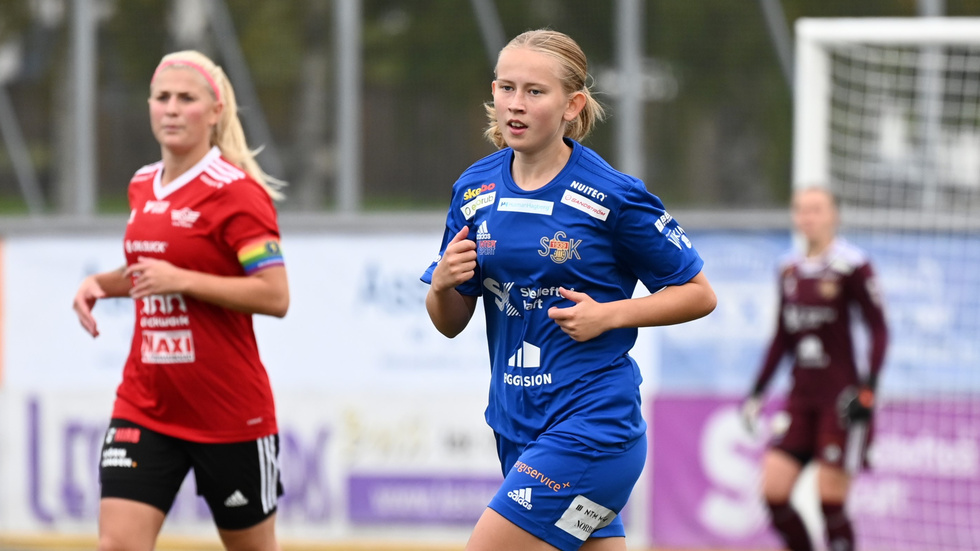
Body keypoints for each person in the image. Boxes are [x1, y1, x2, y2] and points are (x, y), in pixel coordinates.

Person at [422, 29, 716, 551]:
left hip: (592, 428)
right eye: (507, 88)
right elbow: (449, 322)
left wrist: (610, 315)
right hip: (517, 427)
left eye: (535, 91)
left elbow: (698, 293)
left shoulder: (612, 195)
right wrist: (442, 285)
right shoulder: (474, 189)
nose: (515, 104)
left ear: (572, 105)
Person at [72, 50, 289, 551]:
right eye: (162, 97)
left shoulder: (236, 193)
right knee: (116, 545)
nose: (171, 108)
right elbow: (153, 269)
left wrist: (183, 280)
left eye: (186, 98)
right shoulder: (141, 184)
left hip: (229, 415)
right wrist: (101, 283)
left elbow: (275, 295)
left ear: (215, 111)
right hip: (145, 405)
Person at [742, 186, 888, 551]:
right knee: (774, 492)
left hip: (842, 400)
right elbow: (782, 337)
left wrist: (869, 389)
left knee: (830, 500)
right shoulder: (788, 269)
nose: (808, 217)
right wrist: (758, 391)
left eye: (816, 209)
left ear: (834, 215)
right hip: (800, 398)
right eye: (801, 210)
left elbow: (879, 329)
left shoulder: (852, 266)